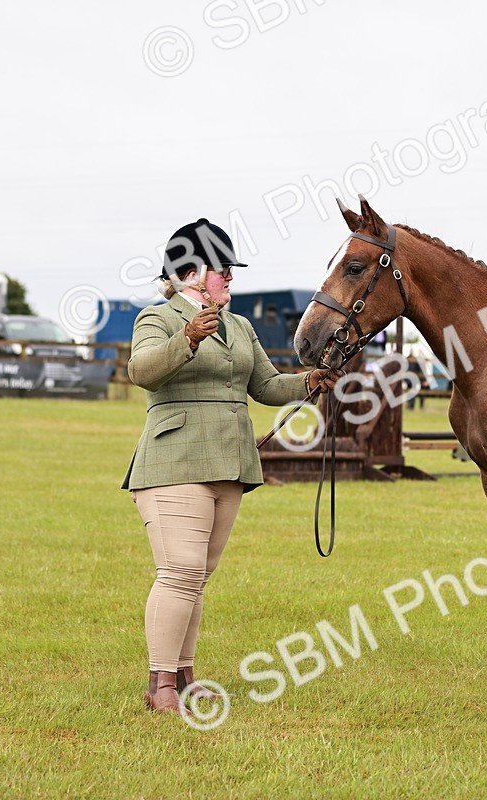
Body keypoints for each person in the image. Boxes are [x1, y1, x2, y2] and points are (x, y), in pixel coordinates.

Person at [122, 218, 342, 714]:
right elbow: (142, 371)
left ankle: (184, 677)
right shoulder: (157, 318)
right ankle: (160, 686)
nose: (229, 277)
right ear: (192, 273)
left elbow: (266, 385)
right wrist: (187, 339)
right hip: (173, 463)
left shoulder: (239, 326)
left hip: (229, 466)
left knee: (196, 577)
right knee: (179, 572)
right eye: (222, 268)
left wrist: (311, 380)